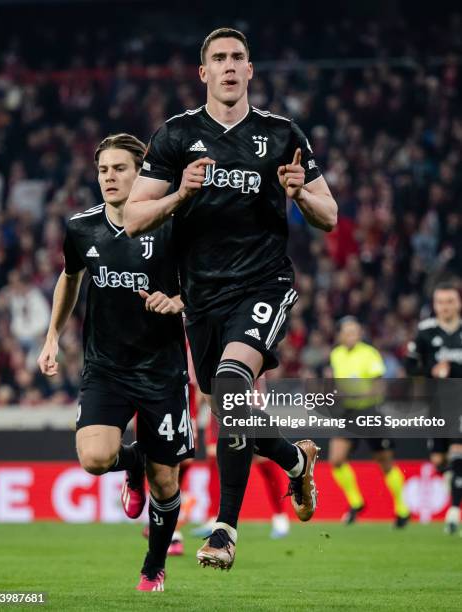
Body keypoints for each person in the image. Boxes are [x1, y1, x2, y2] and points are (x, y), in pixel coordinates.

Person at [124, 28, 338, 569]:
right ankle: (295, 459)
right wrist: (181, 193)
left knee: (230, 385)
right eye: (217, 58)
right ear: (203, 72)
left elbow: (328, 215)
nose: (227, 66)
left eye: (237, 58)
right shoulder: (174, 137)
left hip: (264, 284)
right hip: (201, 297)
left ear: (250, 70)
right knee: (231, 407)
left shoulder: (281, 133)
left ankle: (225, 529)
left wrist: (299, 195)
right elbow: (132, 217)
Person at [37, 133, 193, 592]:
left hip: (162, 371)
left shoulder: (171, 224)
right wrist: (51, 337)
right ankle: (133, 462)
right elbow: (70, 279)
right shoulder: (82, 228)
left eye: (119, 168)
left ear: (141, 172)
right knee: (94, 457)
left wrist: (180, 300)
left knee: (166, 485)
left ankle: (153, 569)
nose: (109, 177)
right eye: (103, 169)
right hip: (106, 368)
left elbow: (205, 282)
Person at [328, 317, 410, 527]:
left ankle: (402, 509)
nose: (351, 335)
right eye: (347, 332)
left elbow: (379, 385)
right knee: (336, 459)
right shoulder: (336, 354)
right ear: (340, 335)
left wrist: (359, 396)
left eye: (355, 331)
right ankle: (356, 503)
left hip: (369, 411)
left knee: (385, 462)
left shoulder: (369, 353)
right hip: (347, 413)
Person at [405, 281, 462, 534]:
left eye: (450, 301)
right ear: (435, 305)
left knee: (458, 451)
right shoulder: (425, 331)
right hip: (436, 404)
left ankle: (453, 512)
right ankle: (453, 479)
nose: (446, 307)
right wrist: (430, 371)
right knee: (440, 460)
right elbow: (411, 367)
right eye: (441, 302)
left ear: (458, 303)